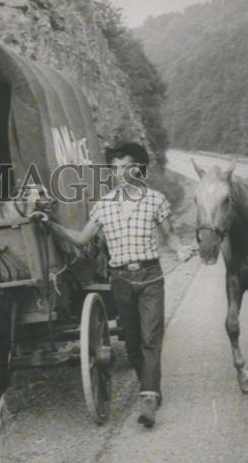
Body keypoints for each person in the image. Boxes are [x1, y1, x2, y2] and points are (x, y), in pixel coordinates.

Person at [42, 142, 194, 428]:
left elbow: (170, 237)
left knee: (151, 338)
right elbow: (81, 239)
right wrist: (51, 225)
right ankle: (149, 385)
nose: (121, 173)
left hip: (150, 277)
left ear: (140, 169)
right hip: (120, 280)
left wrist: (181, 250)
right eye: (115, 168)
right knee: (133, 342)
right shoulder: (103, 206)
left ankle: (148, 397)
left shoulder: (155, 200)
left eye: (127, 167)